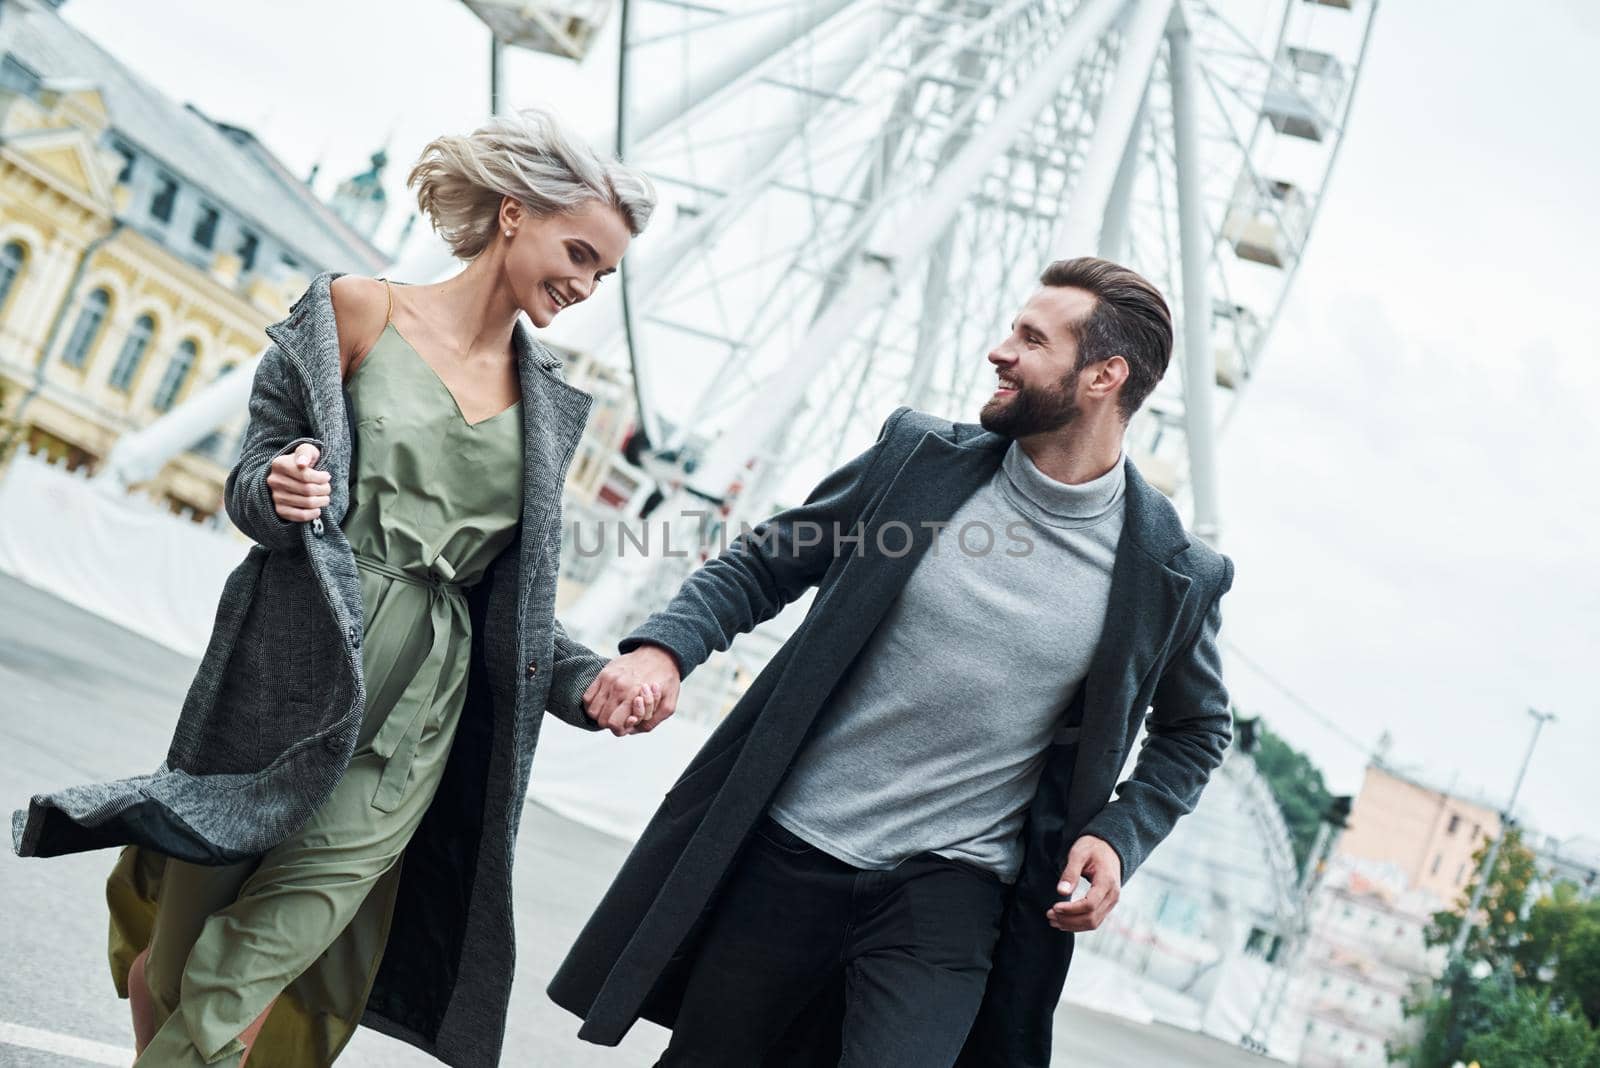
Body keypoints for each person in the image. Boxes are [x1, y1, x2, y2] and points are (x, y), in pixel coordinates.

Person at [13, 107, 658, 1068]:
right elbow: (252, 478)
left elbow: (513, 600)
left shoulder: (555, 403)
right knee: (187, 953)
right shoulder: (356, 313)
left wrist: (588, 682)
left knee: (258, 960)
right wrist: (278, 490)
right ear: (514, 213)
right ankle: (169, 993)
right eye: (578, 251)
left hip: (418, 716)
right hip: (291, 668)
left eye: (603, 273)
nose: (585, 283)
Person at [549, 257, 1237, 1067]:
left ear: (1103, 376)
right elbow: (766, 563)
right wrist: (665, 651)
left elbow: (1197, 729)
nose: (999, 351)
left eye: (1030, 338)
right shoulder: (920, 464)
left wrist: (1122, 836)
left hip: (949, 892)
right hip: (788, 852)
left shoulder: (1171, 572)